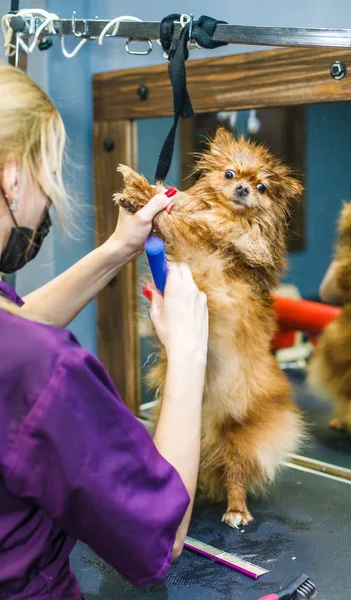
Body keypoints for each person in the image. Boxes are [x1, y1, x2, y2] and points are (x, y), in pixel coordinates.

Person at [0, 61, 209, 599]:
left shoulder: (19, 347)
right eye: (48, 175)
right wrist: (187, 352)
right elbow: (161, 542)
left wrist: (118, 249)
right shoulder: (43, 365)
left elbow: (16, 324)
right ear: (11, 175)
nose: (47, 195)